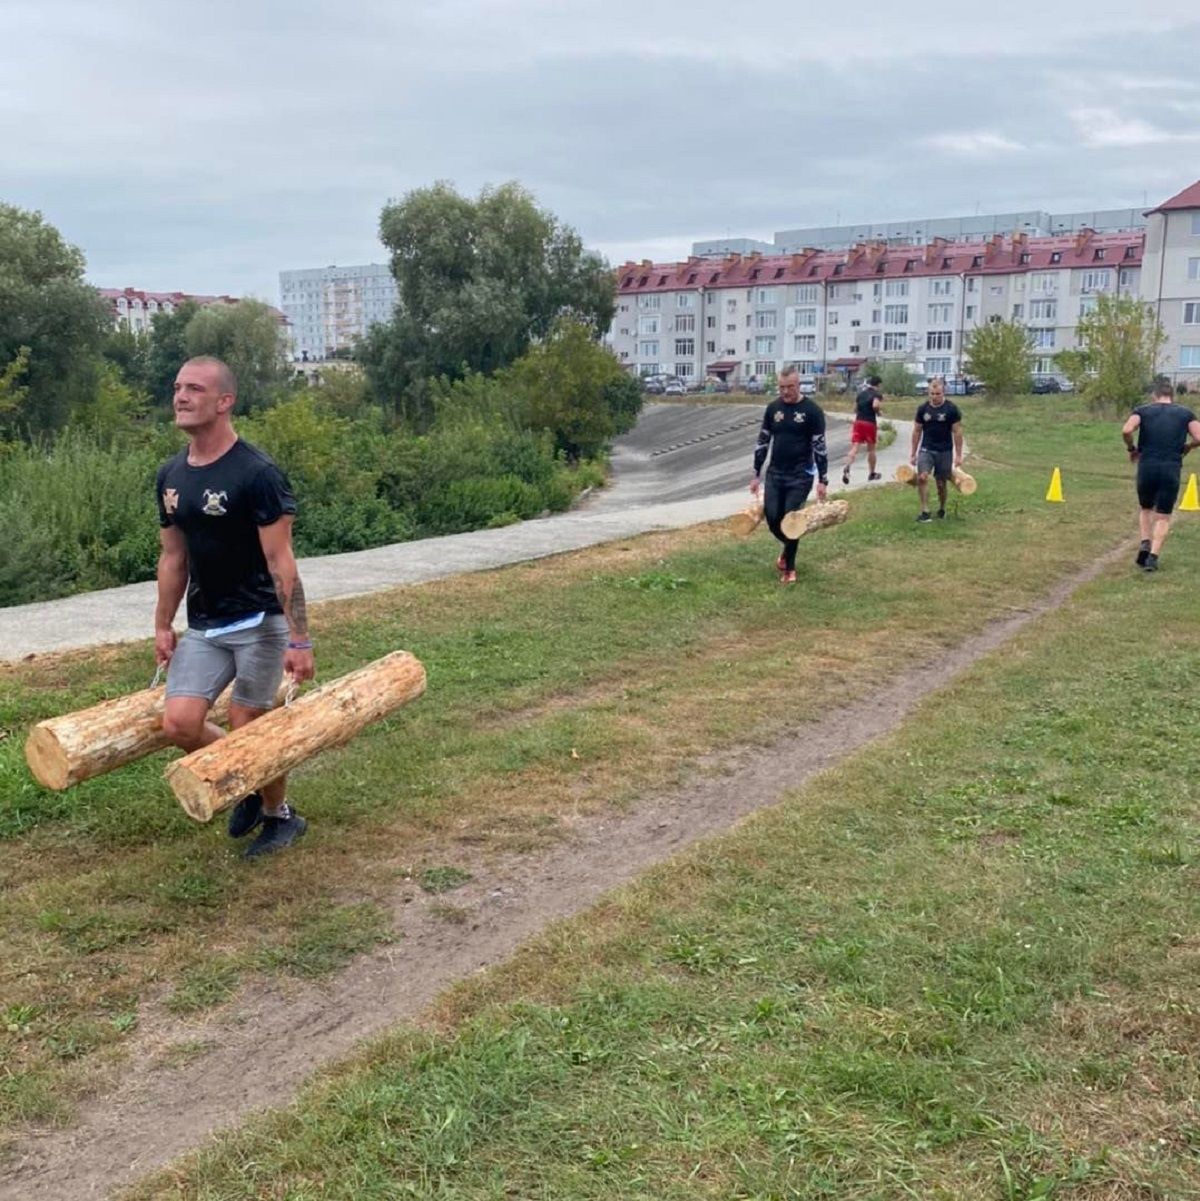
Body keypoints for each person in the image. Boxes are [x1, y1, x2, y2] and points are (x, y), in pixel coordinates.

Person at [154, 356, 315, 857]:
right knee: (178, 723)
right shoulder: (171, 475)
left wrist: (300, 637)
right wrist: (163, 624)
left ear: (224, 402)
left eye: (195, 389)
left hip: (261, 622)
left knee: (251, 725)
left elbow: (280, 560)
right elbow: (173, 556)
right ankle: (247, 781)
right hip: (205, 625)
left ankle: (279, 815)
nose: (181, 396)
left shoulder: (258, 473)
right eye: (178, 387)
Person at [750, 365, 829, 584]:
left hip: (800, 475)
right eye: (782, 387)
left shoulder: (812, 411)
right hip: (775, 473)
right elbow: (763, 442)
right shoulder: (773, 409)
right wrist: (756, 473)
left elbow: (820, 446)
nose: (785, 392)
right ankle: (787, 550)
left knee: (791, 519)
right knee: (774, 518)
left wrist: (823, 479)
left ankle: (789, 569)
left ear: (799, 384)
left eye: (790, 387)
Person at [1121, 376, 1200, 572]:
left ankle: (1145, 542)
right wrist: (1188, 446)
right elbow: (1199, 437)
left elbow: (1127, 429)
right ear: (1171, 396)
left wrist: (1132, 448)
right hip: (1171, 467)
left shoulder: (1143, 411)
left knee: (1146, 508)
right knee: (1163, 515)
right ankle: (1153, 558)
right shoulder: (1185, 414)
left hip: (1147, 465)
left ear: (1154, 396)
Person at [909, 376, 963, 522]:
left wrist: (958, 455)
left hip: (945, 450)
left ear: (943, 392)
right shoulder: (923, 409)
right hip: (927, 449)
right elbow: (917, 431)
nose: (935, 397)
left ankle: (942, 508)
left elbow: (957, 432)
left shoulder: (951, 409)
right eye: (932, 394)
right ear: (928, 393)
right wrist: (913, 453)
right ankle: (925, 511)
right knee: (922, 477)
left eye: (938, 394)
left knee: (941, 483)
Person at [841, 374, 884, 486]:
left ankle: (847, 466)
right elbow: (875, 405)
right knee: (871, 449)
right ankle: (872, 473)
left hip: (858, 422)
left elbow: (855, 409)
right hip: (869, 423)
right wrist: (878, 412)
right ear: (878, 384)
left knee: (855, 447)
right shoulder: (877, 394)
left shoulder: (861, 394)